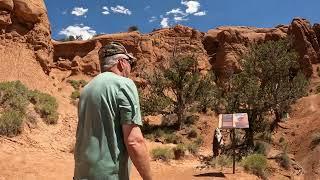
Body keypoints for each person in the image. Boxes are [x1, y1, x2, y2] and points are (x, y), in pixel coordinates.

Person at [73, 42, 152, 180]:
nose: (130, 68)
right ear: (121, 62)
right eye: (129, 63)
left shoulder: (86, 90)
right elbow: (134, 141)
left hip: (80, 174)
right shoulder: (123, 84)